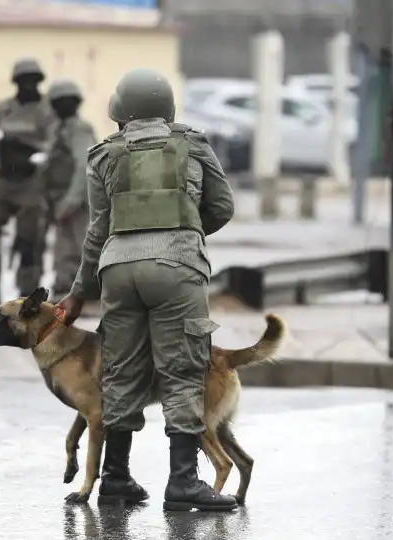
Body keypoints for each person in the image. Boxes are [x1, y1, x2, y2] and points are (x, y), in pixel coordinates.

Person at [56, 69, 238, 512]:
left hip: (117, 271)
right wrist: (187, 233)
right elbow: (222, 206)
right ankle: (182, 482)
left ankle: (115, 479)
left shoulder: (103, 155)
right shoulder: (192, 143)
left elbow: (97, 231)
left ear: (122, 110)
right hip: (177, 268)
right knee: (182, 372)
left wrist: (79, 292)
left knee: (120, 372)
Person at [0, 58, 56, 310]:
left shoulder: (47, 111)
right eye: (23, 80)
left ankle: (26, 297)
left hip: (31, 183)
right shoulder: (2, 109)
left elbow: (53, 145)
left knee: (28, 242)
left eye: (32, 81)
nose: (27, 85)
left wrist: (31, 152)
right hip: (2, 181)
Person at [41, 80, 97, 302]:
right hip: (59, 196)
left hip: (78, 198)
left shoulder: (79, 129)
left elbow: (85, 165)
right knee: (64, 245)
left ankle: (83, 288)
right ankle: (64, 284)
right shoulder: (57, 130)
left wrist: (71, 199)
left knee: (79, 243)